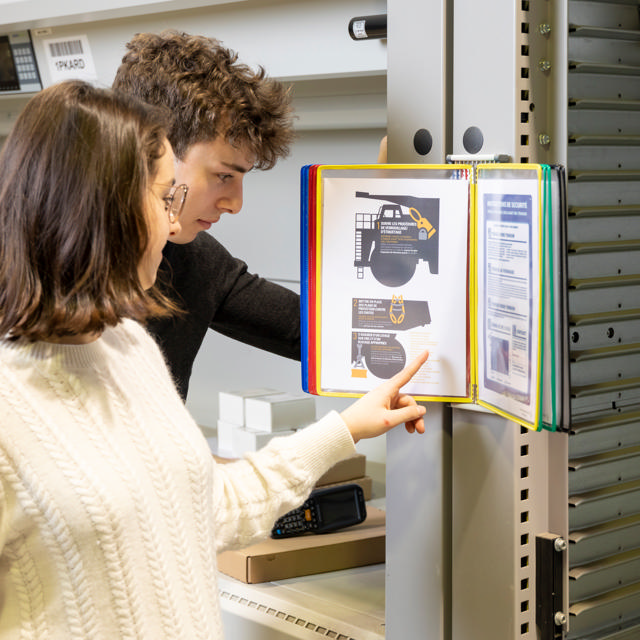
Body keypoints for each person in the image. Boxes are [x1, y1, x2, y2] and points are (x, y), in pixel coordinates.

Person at [0, 80, 428, 639]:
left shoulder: (131, 351)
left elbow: (203, 509)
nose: (172, 222)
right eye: (162, 198)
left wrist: (344, 429)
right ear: (101, 212)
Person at [112, 31, 300, 400]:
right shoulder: (27, 273)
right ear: (153, 149)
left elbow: (313, 333)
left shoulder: (196, 262)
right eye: (223, 176)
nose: (235, 204)